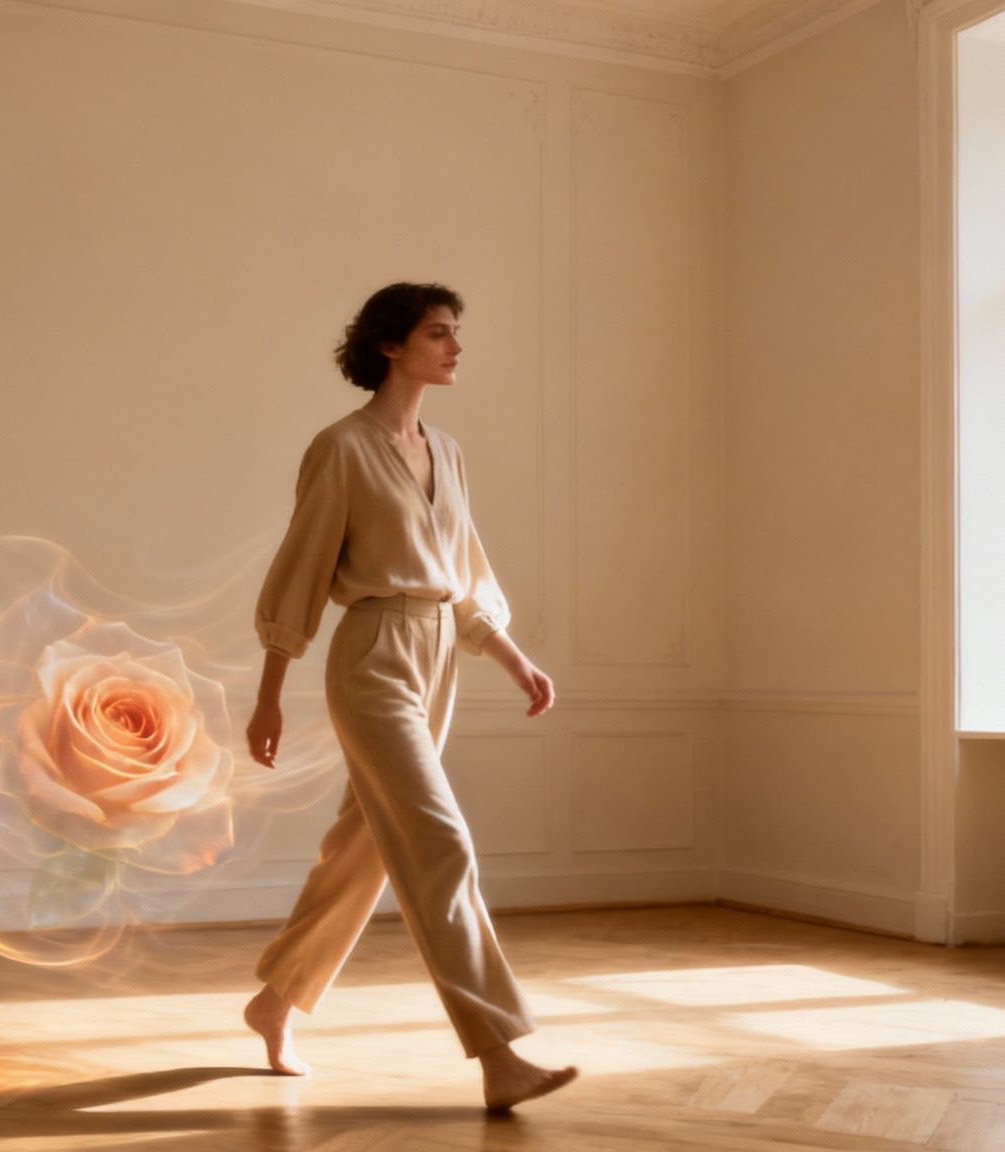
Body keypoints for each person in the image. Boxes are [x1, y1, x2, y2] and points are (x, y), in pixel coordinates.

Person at [241, 282, 579, 1113]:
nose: (456, 347)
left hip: (438, 661)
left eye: (456, 333)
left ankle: (275, 1000)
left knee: (364, 848)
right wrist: (270, 695)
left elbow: (462, 579)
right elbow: (302, 571)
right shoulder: (341, 449)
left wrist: (513, 658)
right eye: (439, 334)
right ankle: (499, 1053)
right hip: (372, 656)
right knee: (439, 839)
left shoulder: (449, 452)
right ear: (393, 346)